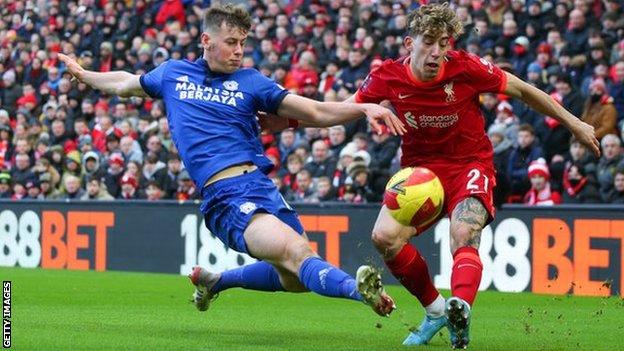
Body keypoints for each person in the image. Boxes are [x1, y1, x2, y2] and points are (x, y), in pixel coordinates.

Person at [264, 3, 599, 348]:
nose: (438, 52)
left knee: (463, 231)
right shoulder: (386, 77)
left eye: (444, 43)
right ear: (410, 44)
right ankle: (437, 310)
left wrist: (574, 123)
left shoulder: (467, 68)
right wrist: (287, 121)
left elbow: (525, 90)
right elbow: (340, 110)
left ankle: (461, 310)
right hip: (420, 173)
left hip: (469, 164)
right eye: (429, 42)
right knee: (384, 237)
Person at [59, 4, 405, 319]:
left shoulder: (251, 80)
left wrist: (361, 108)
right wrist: (86, 75)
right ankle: (360, 291)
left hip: (260, 186)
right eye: (231, 42)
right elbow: (125, 83)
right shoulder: (173, 74)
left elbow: (314, 110)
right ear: (206, 40)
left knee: (296, 277)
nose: (238, 51)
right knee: (297, 252)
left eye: (242, 42)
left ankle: (217, 281)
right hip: (225, 195)